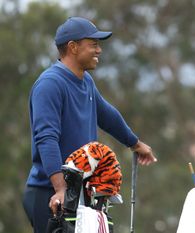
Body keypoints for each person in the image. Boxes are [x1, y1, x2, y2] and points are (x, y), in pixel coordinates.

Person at [22, 16, 157, 233]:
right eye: (93, 44)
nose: (99, 50)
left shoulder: (85, 81)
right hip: (49, 193)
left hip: (76, 193)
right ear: (73, 47)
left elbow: (106, 115)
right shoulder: (49, 85)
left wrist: (135, 143)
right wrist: (61, 189)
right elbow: (46, 139)